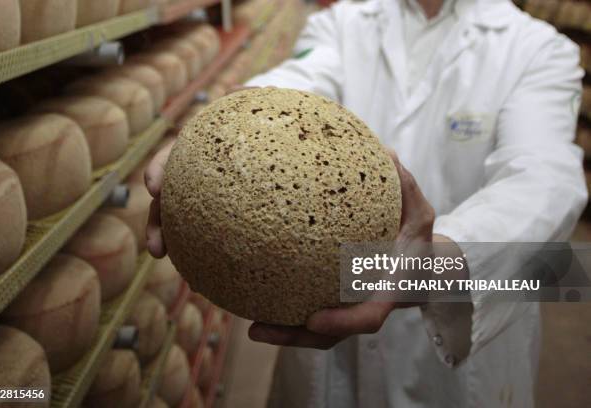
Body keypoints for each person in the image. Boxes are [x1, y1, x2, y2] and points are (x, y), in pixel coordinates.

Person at [144, 0, 587, 406]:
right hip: (322, 330)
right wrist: (216, 139)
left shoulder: (541, 50)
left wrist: (433, 266)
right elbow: (295, 85)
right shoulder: (341, 23)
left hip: (458, 370)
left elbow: (546, 184)